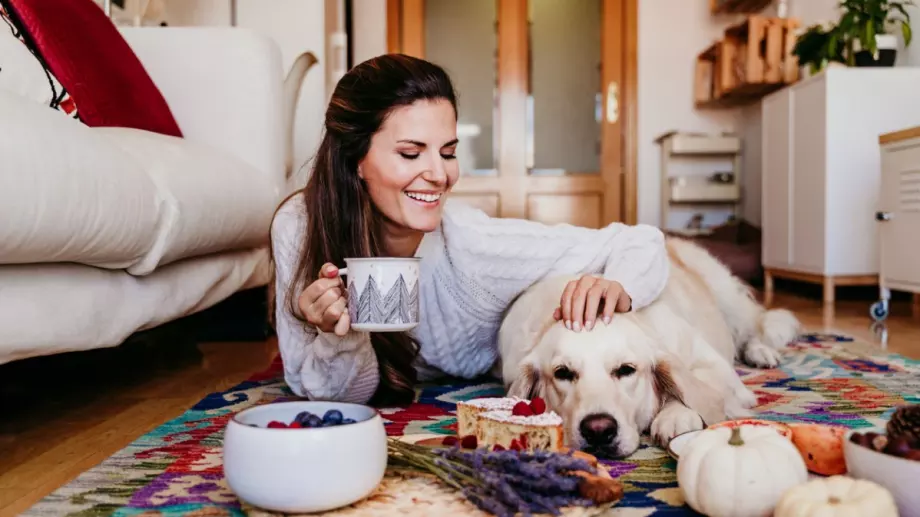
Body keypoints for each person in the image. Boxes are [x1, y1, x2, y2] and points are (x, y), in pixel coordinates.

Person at [270, 54, 669, 406]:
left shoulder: (475, 246)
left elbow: (639, 241)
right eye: (411, 153)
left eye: (448, 152)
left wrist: (618, 285)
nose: (440, 174)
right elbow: (333, 394)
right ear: (354, 158)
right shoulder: (300, 226)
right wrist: (341, 334)